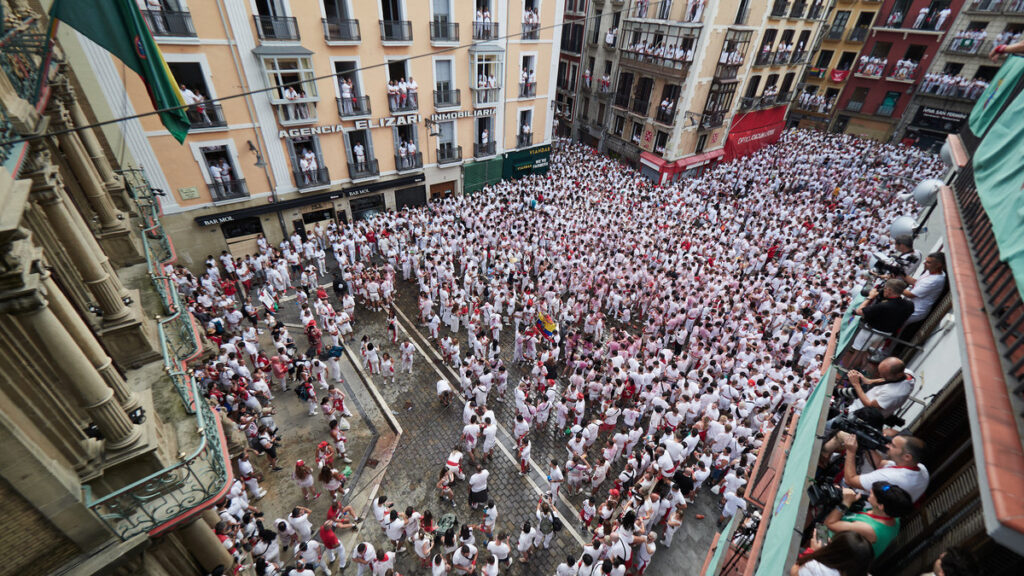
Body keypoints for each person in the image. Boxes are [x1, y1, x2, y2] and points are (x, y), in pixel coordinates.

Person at [824, 482, 913, 558]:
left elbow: (829, 523)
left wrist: (845, 503)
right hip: (843, 538)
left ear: (881, 506)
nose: (869, 492)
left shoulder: (869, 529)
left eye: (871, 494)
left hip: (835, 552)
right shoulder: (893, 514)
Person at [790, 531, 874, 576]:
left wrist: (812, 551)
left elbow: (794, 572)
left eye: (832, 542)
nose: (829, 540)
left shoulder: (815, 568)